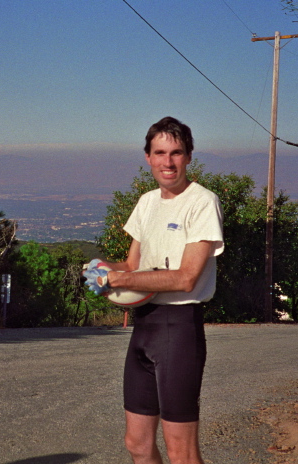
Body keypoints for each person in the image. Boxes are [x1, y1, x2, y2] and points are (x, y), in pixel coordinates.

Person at [84, 116, 224, 464]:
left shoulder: (202, 202)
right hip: (144, 328)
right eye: (160, 152)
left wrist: (119, 281)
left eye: (176, 153)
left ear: (189, 156)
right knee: (137, 444)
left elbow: (185, 278)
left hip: (179, 329)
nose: (168, 162)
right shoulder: (146, 203)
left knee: (181, 451)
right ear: (147, 156)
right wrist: (98, 269)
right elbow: (131, 266)